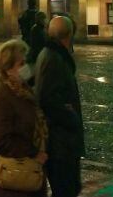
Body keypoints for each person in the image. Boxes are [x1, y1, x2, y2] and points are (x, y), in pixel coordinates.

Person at [0, 39, 48, 197]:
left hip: (26, 170)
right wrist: (34, 153)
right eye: (22, 63)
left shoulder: (24, 91)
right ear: (8, 69)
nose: (26, 67)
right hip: (12, 175)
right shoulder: (2, 99)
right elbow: (1, 140)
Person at [34, 16, 84, 197]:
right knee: (66, 190)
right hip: (60, 144)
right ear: (70, 35)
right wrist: (72, 118)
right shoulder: (54, 58)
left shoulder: (49, 54)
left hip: (61, 142)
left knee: (69, 189)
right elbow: (47, 99)